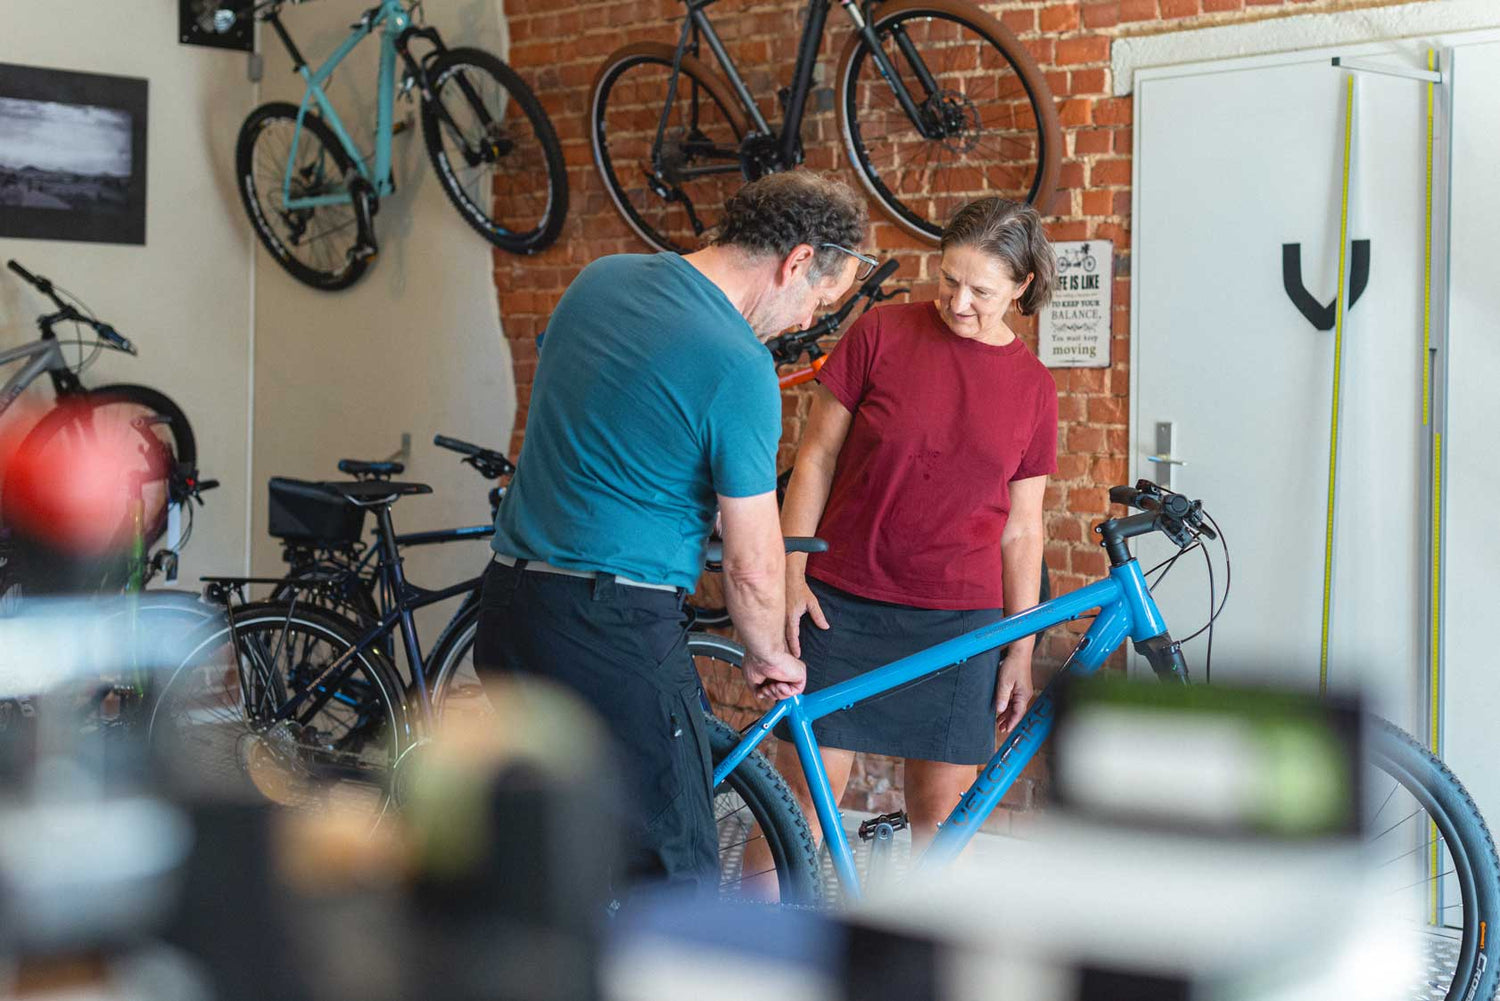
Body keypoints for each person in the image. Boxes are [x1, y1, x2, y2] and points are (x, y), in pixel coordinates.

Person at [475, 172, 869, 889]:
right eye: (818, 299)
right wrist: (769, 656)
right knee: (673, 868)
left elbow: (617, 426)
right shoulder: (738, 364)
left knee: (533, 857)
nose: (807, 319)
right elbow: (752, 564)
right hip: (611, 629)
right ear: (797, 262)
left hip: (508, 607)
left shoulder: (600, 282)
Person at [763, 196, 1058, 861]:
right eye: (949, 279)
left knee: (940, 823)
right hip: (841, 602)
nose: (957, 302)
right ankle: (756, 946)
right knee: (798, 809)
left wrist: (1019, 647)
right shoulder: (880, 334)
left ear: (1022, 286)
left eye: (980, 290)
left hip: (961, 624)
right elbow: (814, 455)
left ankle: (921, 959)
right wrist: (789, 570)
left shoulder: (1035, 387)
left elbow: (1023, 530)